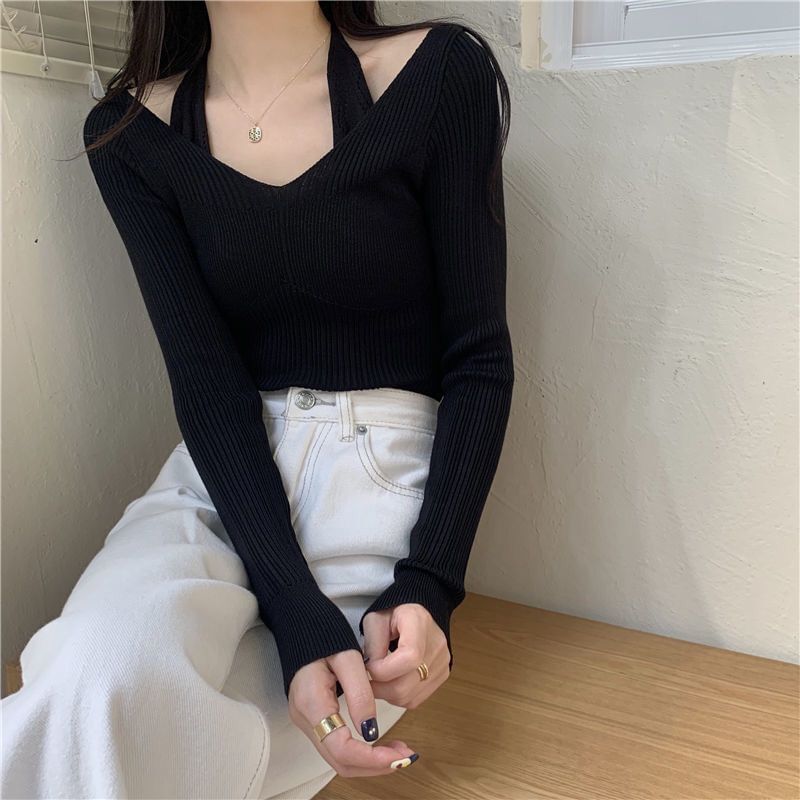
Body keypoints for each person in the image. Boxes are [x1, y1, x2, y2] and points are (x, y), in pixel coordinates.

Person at [1, 1, 514, 797]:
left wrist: (430, 581)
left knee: (166, 744)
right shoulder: (130, 135)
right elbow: (207, 382)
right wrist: (290, 603)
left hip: (381, 476)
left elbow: (477, 357)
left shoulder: (438, 73)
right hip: (222, 475)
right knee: (89, 680)